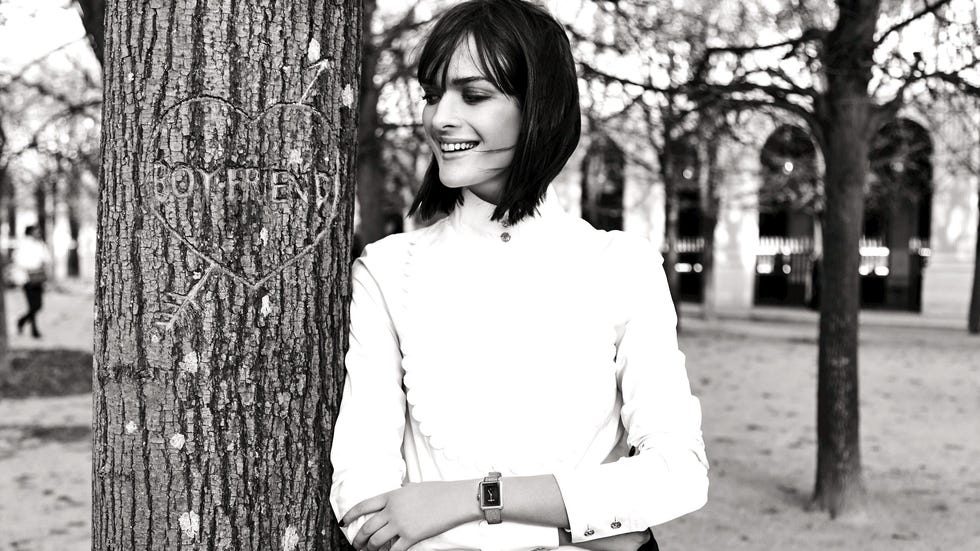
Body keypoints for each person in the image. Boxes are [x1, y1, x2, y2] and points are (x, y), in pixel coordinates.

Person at [329, 2, 708, 550]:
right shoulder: (388, 272)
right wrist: (587, 523)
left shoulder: (621, 267)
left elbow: (678, 472)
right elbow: (365, 505)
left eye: (474, 95)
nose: (439, 118)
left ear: (539, 108)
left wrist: (472, 501)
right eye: (434, 95)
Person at [12, 225, 51, 339]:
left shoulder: (40, 244)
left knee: (38, 306)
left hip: (38, 278)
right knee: (32, 305)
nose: (38, 233)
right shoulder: (22, 245)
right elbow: (19, 261)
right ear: (30, 233)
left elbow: (47, 258)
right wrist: (31, 268)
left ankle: (21, 321)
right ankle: (34, 331)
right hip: (26, 279)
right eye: (36, 231)